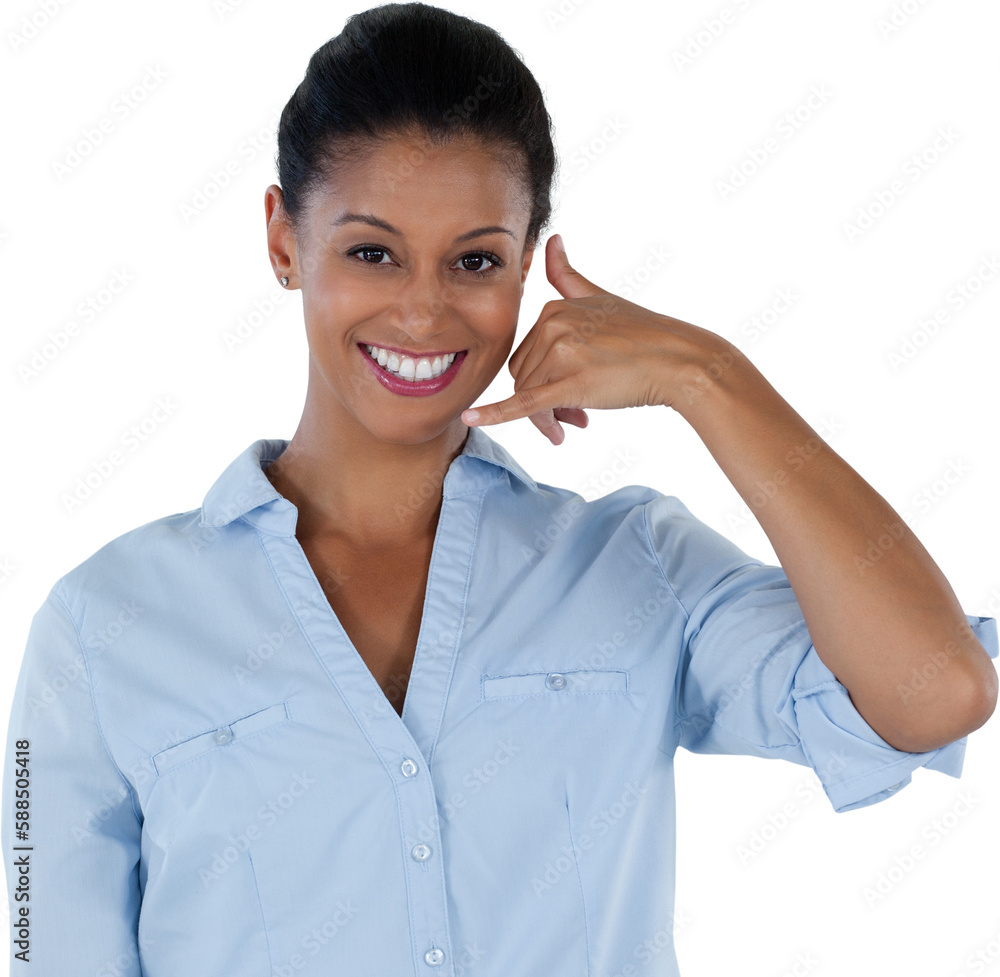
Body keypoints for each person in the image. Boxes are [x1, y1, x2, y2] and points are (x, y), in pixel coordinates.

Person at [2, 3, 997, 975]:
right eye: (371, 252)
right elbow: (48, 946)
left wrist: (707, 378)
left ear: (528, 264)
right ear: (282, 239)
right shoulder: (102, 628)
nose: (422, 311)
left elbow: (938, 691)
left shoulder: (634, 566)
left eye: (474, 260)